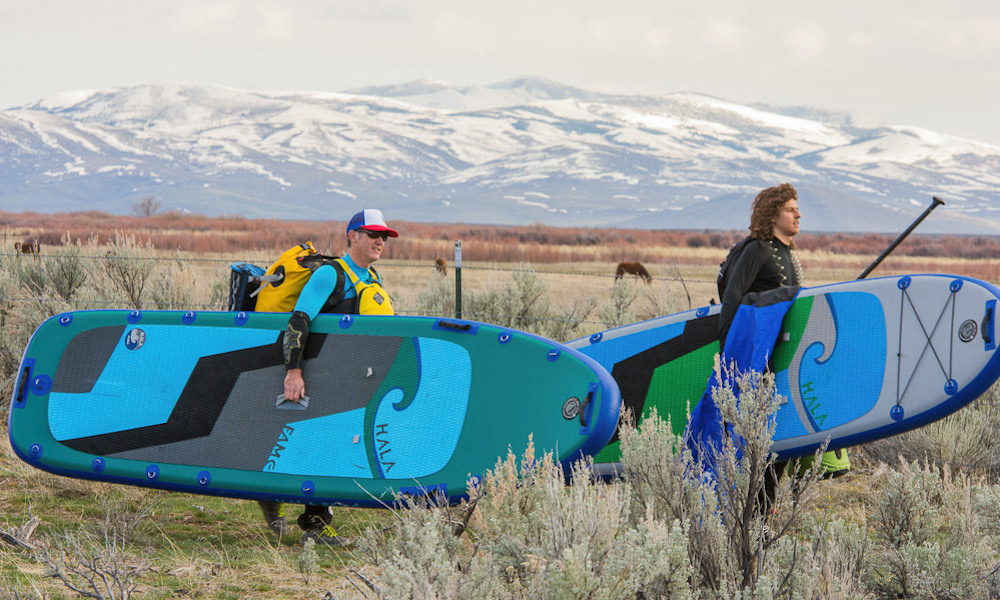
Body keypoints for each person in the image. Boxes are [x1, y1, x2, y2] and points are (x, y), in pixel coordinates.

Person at [259, 208, 398, 546]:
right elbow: (298, 321)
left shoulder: (371, 277)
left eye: (384, 236)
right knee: (320, 442)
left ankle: (276, 498)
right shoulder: (330, 275)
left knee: (328, 442)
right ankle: (315, 523)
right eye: (373, 234)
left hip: (347, 378)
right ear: (353, 236)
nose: (380, 240)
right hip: (314, 373)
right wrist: (294, 372)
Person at [718, 183, 850, 482]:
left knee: (782, 438)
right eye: (791, 209)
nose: (798, 215)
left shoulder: (788, 253)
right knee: (763, 442)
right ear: (772, 214)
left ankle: (770, 509)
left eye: (797, 209)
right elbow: (733, 300)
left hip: (786, 357)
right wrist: (728, 355)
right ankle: (759, 513)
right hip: (759, 358)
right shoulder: (757, 250)